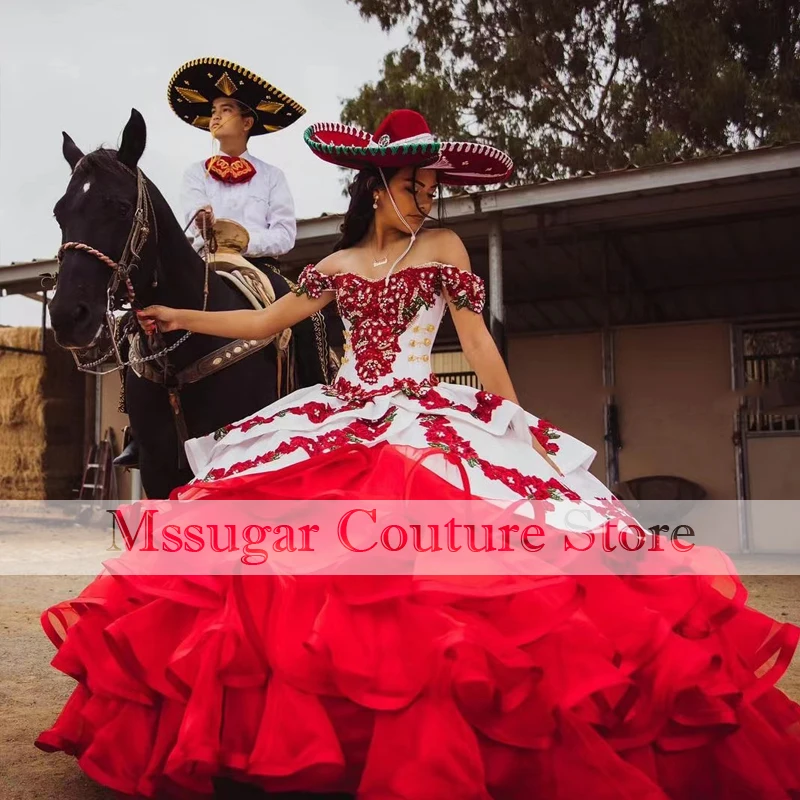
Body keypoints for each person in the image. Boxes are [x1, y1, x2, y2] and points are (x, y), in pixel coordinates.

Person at [38, 110, 800, 799]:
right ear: (376, 189)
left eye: (432, 186)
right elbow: (266, 322)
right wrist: (177, 313)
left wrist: (516, 420)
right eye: (415, 185)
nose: (428, 197)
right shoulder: (334, 268)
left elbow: (475, 343)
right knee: (281, 565)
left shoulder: (444, 246)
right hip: (341, 412)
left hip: (422, 410)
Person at [114, 57, 328, 468]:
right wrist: (204, 225)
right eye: (212, 112)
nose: (215, 118)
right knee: (135, 322)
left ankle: (317, 402)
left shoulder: (272, 176)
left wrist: (245, 241)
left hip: (256, 265)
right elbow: (188, 227)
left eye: (225, 110)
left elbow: (285, 235)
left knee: (307, 314)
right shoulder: (195, 173)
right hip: (203, 262)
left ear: (247, 122)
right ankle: (137, 429)